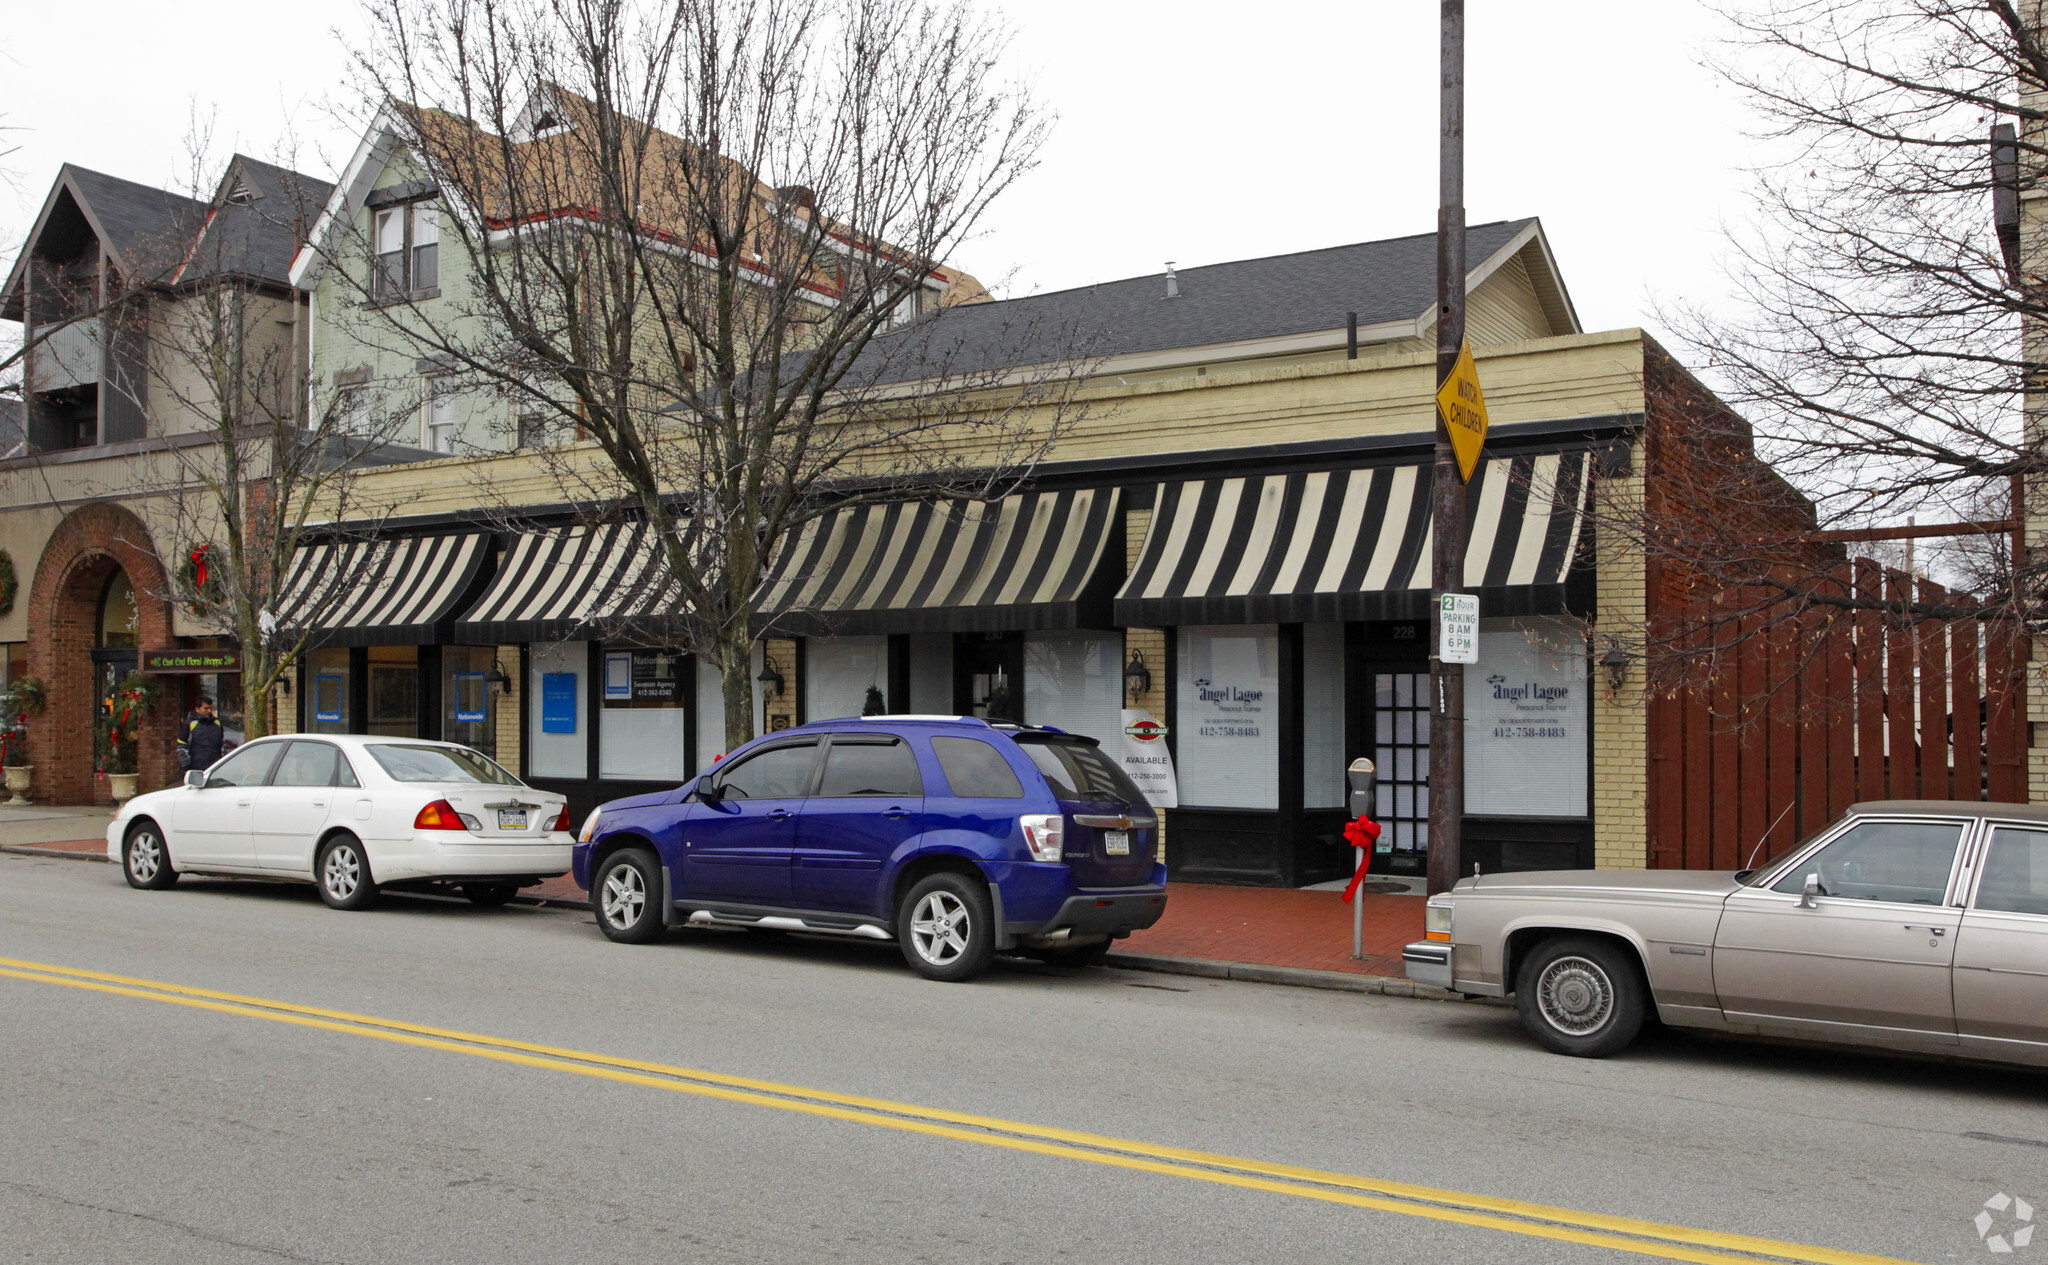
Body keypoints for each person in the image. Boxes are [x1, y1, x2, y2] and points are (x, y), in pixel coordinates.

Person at [178, 696, 226, 772]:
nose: (209, 711)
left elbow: (221, 744)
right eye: (206, 708)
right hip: (195, 767)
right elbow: (181, 746)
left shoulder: (217, 723)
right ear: (197, 709)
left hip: (215, 766)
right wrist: (185, 766)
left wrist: (222, 762)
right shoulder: (189, 723)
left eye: (211, 708)